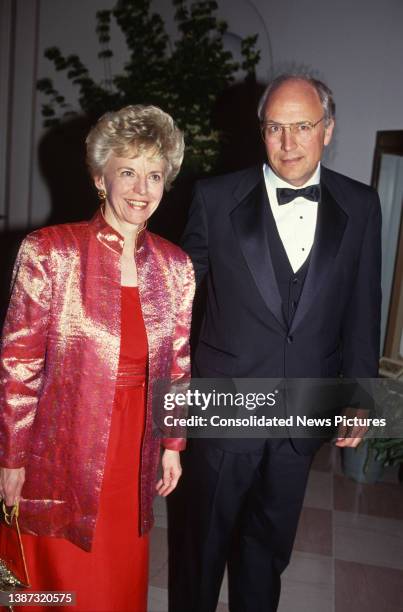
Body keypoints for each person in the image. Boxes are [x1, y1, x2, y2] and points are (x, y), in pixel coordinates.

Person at [170, 74, 382, 612]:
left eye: (303, 127)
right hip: (224, 408)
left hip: (302, 413)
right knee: (201, 550)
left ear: (328, 130)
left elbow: (362, 306)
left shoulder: (361, 205)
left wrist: (360, 396)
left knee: (267, 550)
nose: (288, 143)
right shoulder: (215, 199)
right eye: (275, 128)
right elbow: (177, 303)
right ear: (261, 131)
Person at [0, 105, 195, 611]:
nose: (141, 188)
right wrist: (11, 457)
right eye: (127, 171)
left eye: (154, 175)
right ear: (99, 177)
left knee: (116, 582)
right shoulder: (50, 252)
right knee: (55, 582)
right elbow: (18, 366)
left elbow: (177, 362)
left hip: (135, 448)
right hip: (60, 445)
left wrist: (173, 443)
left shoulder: (175, 265)